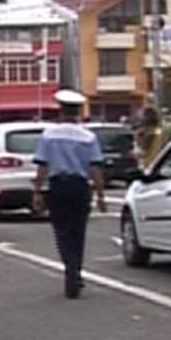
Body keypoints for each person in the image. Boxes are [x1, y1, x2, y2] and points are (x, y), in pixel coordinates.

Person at [32, 90, 107, 299]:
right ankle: (75, 271)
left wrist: (37, 191)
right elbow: (95, 169)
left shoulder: (49, 135)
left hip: (58, 187)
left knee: (61, 231)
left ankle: (70, 268)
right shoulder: (88, 137)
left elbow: (43, 167)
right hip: (79, 187)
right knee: (78, 231)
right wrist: (100, 195)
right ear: (78, 112)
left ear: (60, 110)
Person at [134, 106, 164, 170]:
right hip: (148, 167)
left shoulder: (156, 134)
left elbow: (151, 154)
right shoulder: (141, 134)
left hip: (151, 167)